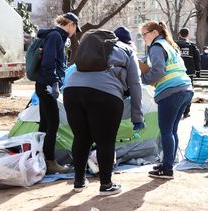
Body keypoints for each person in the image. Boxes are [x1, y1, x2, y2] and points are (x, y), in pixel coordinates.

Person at [63, 29, 144, 195]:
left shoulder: (89, 49)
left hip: (72, 91)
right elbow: (135, 84)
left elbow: (71, 71)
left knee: (81, 138)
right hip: (105, 94)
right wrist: (137, 116)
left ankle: (78, 182)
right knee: (105, 141)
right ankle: (106, 185)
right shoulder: (127, 50)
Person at [140, 21, 193, 179]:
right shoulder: (170, 45)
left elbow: (158, 70)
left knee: (166, 131)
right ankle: (168, 163)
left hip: (171, 92)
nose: (143, 38)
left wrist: (144, 79)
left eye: (145, 34)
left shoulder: (156, 47)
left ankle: (167, 168)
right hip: (185, 89)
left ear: (155, 33)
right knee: (172, 130)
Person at [35, 12, 80, 174]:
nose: (75, 32)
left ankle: (39, 158)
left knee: (45, 123)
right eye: (76, 28)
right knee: (52, 123)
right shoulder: (56, 36)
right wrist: (53, 82)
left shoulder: (56, 35)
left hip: (42, 84)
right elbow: (49, 61)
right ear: (71, 25)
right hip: (47, 84)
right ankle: (50, 161)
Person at [176, 27, 200, 118]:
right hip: (189, 72)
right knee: (188, 91)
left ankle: (177, 110)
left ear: (179, 34)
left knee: (177, 91)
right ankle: (186, 111)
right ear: (188, 35)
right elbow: (197, 59)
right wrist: (198, 70)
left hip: (177, 72)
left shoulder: (174, 44)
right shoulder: (192, 46)